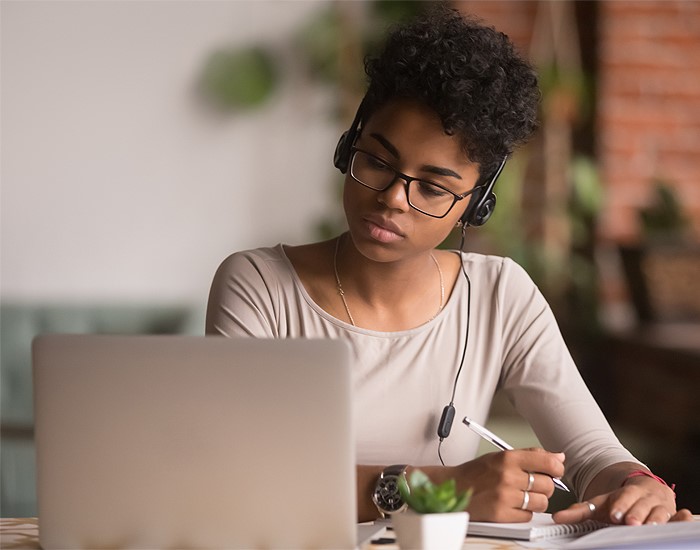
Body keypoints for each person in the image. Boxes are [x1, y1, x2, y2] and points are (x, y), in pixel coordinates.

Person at [206, 5, 692, 525]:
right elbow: (241, 474)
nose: (393, 198)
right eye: (376, 160)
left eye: (433, 187)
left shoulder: (500, 295)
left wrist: (638, 487)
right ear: (349, 145)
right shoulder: (259, 286)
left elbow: (592, 453)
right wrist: (442, 487)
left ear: (475, 205)